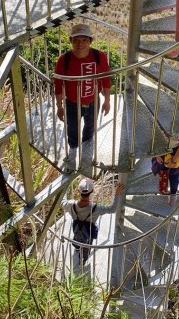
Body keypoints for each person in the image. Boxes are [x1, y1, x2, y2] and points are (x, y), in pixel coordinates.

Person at [54, 23, 111, 173]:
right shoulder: (64, 60)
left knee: (90, 127)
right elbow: (58, 85)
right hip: (72, 103)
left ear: (90, 41)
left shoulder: (99, 57)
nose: (80, 44)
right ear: (71, 41)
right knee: (72, 130)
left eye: (84, 40)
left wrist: (107, 100)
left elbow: (105, 80)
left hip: (94, 101)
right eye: (76, 40)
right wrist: (59, 107)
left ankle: (86, 152)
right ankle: (72, 155)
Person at [62, 178, 126, 265]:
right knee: (86, 245)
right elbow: (112, 209)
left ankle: (77, 246)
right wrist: (117, 193)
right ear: (92, 191)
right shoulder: (96, 208)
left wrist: (64, 185)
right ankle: (83, 260)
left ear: (78, 191)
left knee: (77, 235)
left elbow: (62, 201)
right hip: (89, 231)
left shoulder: (70, 204)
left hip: (76, 226)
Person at [152, 135, 179, 205]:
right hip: (161, 151)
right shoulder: (159, 124)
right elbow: (152, 138)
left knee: (174, 176)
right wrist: (157, 155)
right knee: (163, 174)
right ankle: (162, 192)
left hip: (176, 153)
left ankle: (173, 195)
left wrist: (173, 160)